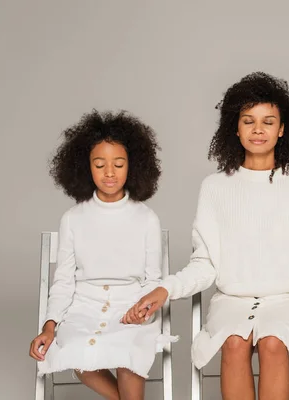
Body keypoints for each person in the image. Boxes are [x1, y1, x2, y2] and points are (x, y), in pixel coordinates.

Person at [126, 72, 289, 400]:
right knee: (234, 343)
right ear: (235, 128)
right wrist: (164, 290)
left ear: (282, 129)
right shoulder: (215, 187)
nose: (258, 129)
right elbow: (205, 264)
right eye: (248, 121)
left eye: (268, 121)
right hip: (232, 301)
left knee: (273, 341)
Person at [29, 110, 176, 400]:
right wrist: (49, 327)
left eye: (118, 164)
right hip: (82, 308)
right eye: (100, 164)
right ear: (86, 168)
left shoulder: (146, 218)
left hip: (131, 307)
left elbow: (152, 280)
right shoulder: (73, 218)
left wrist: (142, 308)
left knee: (128, 350)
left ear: (132, 167)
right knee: (75, 350)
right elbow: (63, 282)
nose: (110, 172)